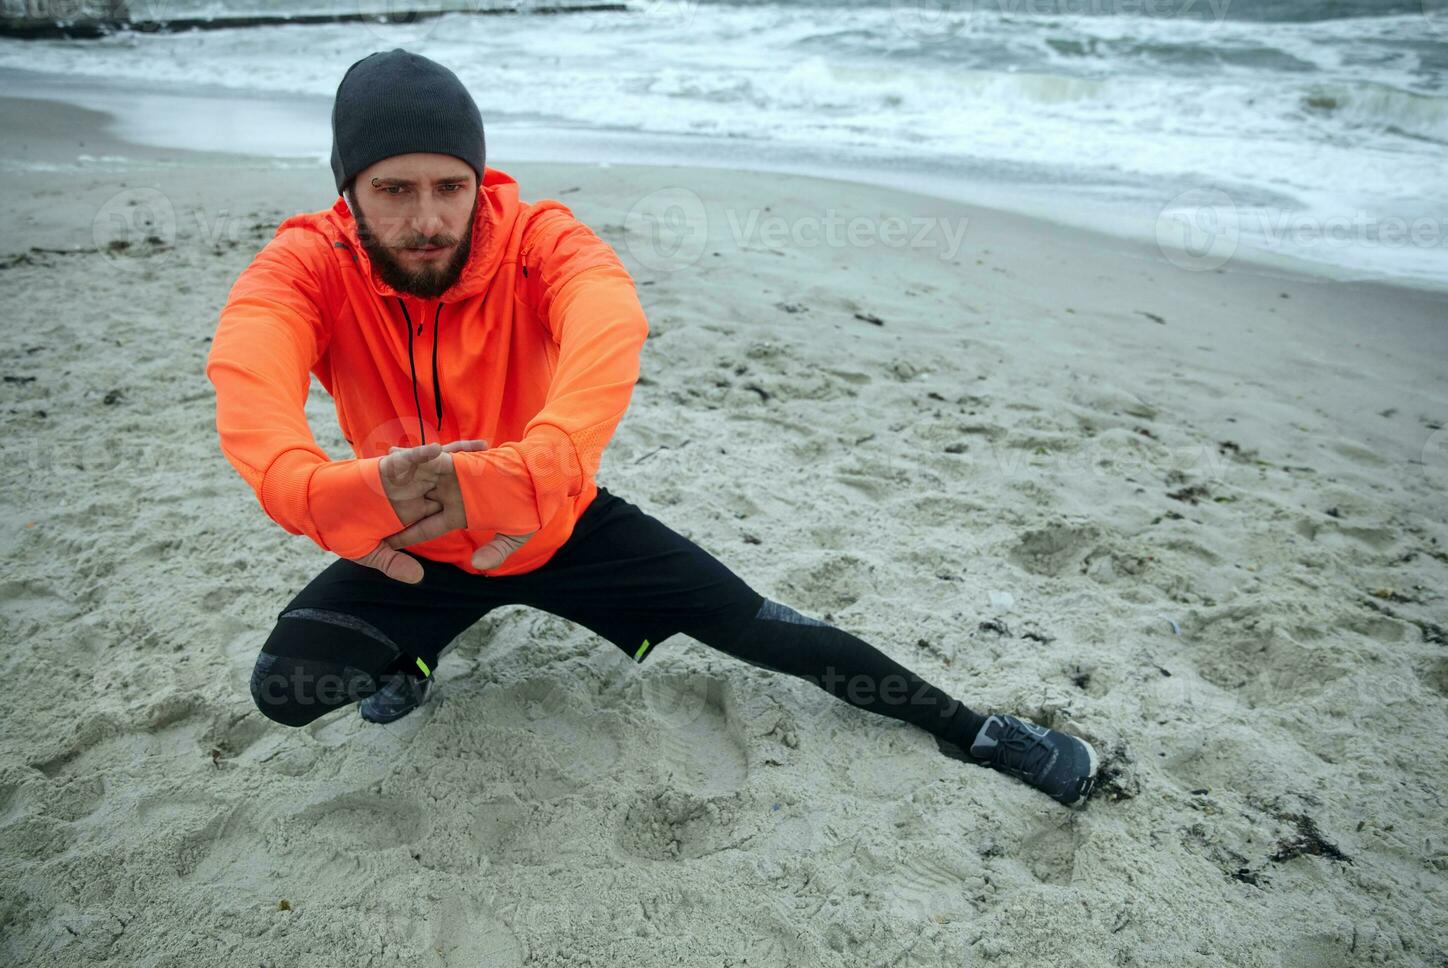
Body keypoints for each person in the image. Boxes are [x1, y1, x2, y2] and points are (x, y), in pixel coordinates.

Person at [204, 48, 1099, 807]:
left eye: (452, 185)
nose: (430, 219)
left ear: (481, 181)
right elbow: (253, 392)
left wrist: (520, 475)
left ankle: (978, 731)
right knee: (286, 692)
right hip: (408, 543)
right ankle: (415, 655)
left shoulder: (540, 242)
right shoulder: (304, 266)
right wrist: (328, 499)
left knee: (770, 629)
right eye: (394, 189)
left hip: (559, 522)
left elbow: (609, 323)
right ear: (348, 190)